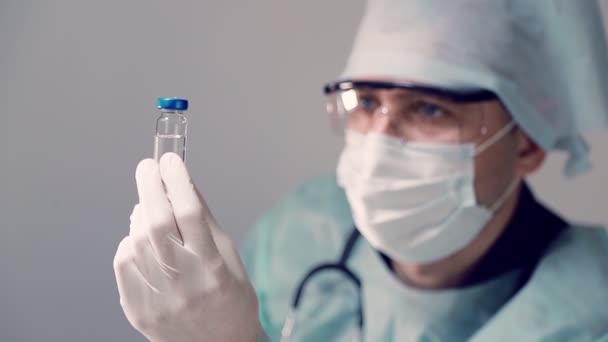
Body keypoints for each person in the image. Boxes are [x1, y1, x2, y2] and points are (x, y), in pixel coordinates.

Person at [113, 0, 608, 341]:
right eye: (367, 101)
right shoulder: (303, 231)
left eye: (430, 109)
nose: (379, 139)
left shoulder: (591, 309)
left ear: (528, 143)